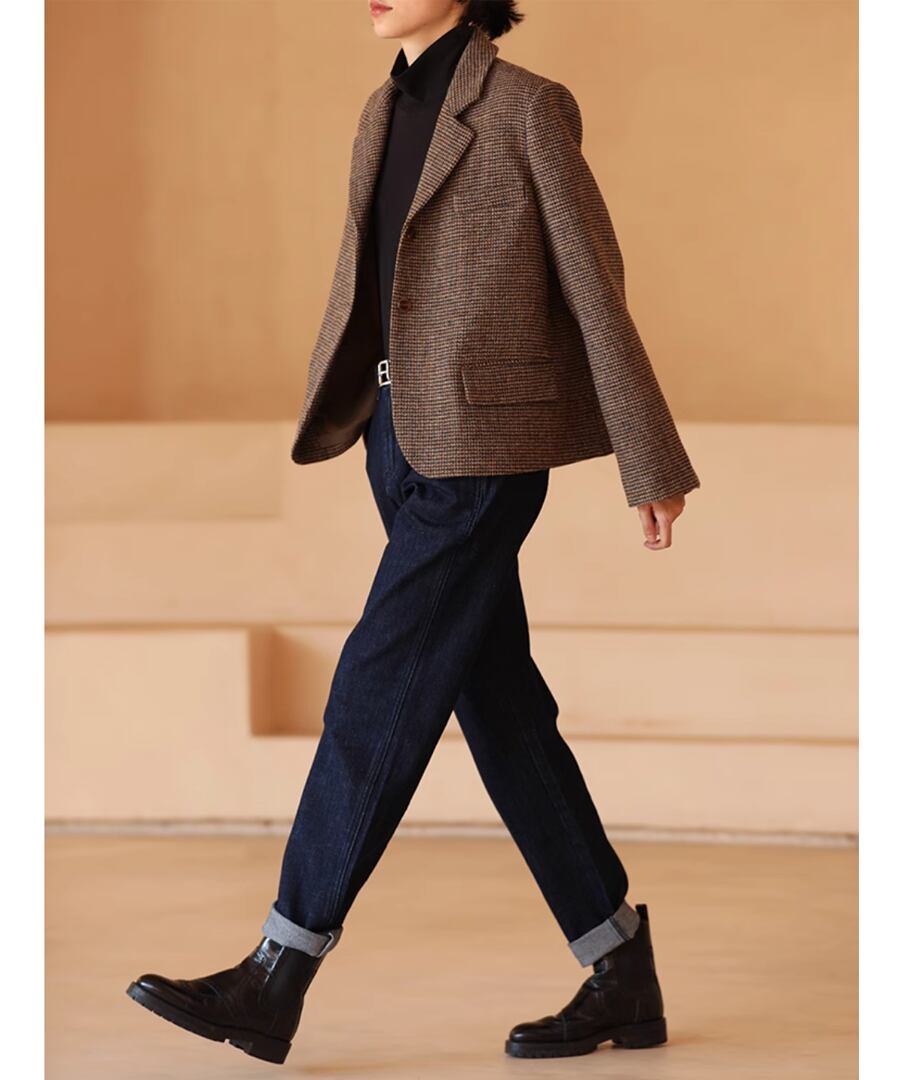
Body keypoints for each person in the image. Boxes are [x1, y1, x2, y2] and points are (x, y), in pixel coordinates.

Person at [126, 0, 699, 1065]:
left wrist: (648, 458)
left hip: (484, 450)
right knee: (501, 706)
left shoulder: (527, 109)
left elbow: (594, 283)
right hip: (394, 437)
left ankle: (278, 968)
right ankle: (619, 960)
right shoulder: (379, 113)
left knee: (377, 681)